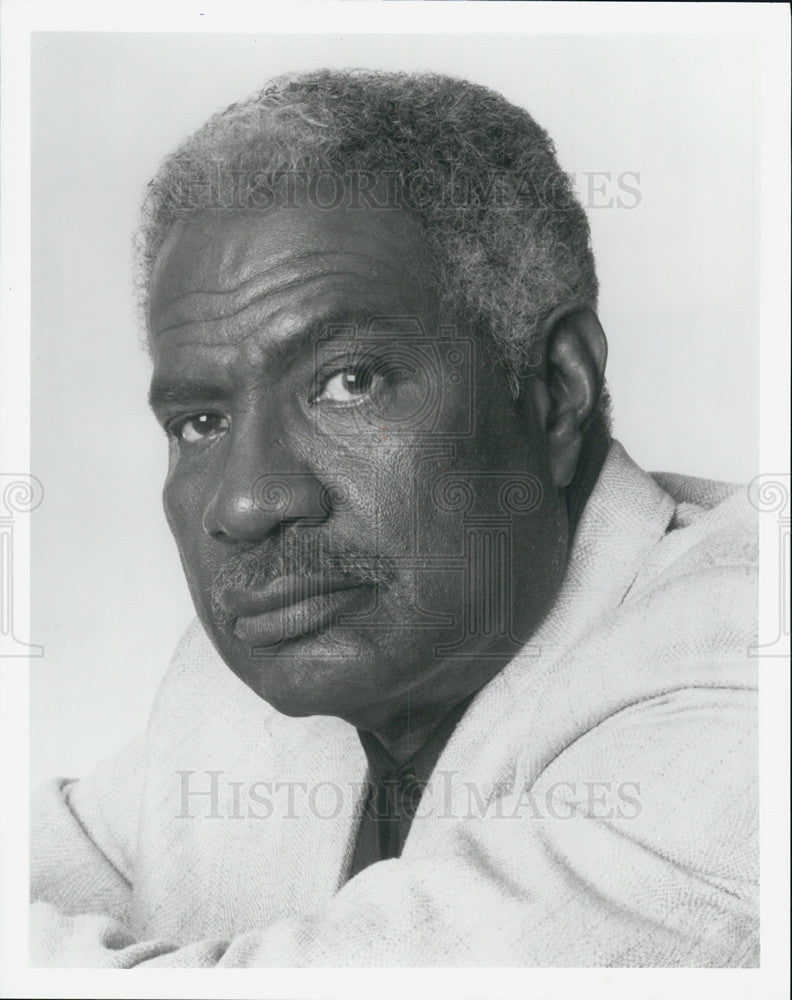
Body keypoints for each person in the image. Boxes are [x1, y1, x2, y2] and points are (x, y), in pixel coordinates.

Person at [30, 69, 758, 967]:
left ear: (558, 389)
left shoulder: (746, 662)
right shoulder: (254, 692)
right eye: (201, 422)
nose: (246, 504)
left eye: (349, 382)